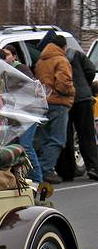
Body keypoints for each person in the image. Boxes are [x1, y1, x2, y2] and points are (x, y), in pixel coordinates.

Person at [0, 47, 42, 184]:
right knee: (10, 148)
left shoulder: (18, 71)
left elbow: (30, 90)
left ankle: (37, 181)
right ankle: (19, 179)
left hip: (28, 113)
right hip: (13, 116)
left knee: (26, 146)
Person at [34, 35, 75, 184]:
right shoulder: (61, 60)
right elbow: (63, 84)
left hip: (43, 102)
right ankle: (46, 170)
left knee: (43, 138)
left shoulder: (41, 60)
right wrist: (71, 92)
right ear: (63, 47)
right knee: (58, 139)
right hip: (58, 102)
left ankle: (38, 169)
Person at [55, 46, 98, 181]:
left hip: (64, 99)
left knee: (67, 136)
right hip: (83, 98)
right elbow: (91, 70)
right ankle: (93, 167)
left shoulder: (52, 58)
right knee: (87, 134)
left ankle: (68, 171)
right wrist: (85, 84)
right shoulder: (76, 54)